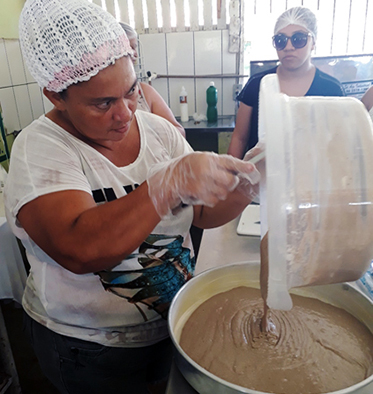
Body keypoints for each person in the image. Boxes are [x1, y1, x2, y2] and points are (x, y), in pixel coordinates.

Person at [4, 1, 260, 393]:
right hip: (90, 350)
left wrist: (251, 182)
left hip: (171, 324)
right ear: (56, 96)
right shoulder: (40, 148)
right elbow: (79, 248)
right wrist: (163, 186)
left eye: (131, 92)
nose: (124, 114)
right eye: (102, 103)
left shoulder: (159, 132)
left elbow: (203, 213)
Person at [228, 6, 345, 159]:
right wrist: (230, 177)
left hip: (310, 179)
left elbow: (338, 145)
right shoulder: (257, 83)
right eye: (281, 40)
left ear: (313, 42)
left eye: (298, 39)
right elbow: (240, 138)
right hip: (260, 177)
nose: (289, 47)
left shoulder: (332, 90)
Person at [119, 22, 186, 137]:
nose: (134, 53)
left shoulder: (144, 92)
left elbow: (178, 131)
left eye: (134, 47)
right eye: (127, 48)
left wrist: (151, 138)